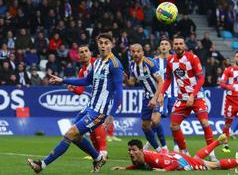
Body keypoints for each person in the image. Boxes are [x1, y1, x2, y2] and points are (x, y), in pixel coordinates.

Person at [27, 33, 123, 173]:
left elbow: (120, 92)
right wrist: (62, 80)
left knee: (70, 133)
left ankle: (41, 165)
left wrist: (111, 115)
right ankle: (98, 159)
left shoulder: (115, 65)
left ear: (112, 44)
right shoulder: (96, 62)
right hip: (90, 106)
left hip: (100, 110)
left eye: (106, 43)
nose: (103, 45)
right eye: (100, 42)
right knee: (76, 136)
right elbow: (85, 81)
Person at [158, 35, 216, 161]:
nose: (178, 46)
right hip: (182, 98)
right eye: (176, 44)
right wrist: (162, 93)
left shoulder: (192, 58)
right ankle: (185, 153)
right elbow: (168, 79)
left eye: (180, 44)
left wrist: (192, 95)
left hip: (197, 97)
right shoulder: (171, 61)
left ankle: (211, 154)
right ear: (173, 46)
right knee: (173, 125)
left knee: (204, 123)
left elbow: (201, 78)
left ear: (184, 45)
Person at [111, 135, 238, 171]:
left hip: (180, 161)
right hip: (177, 156)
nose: (131, 153)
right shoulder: (141, 157)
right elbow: (141, 166)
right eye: (130, 150)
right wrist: (125, 168)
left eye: (133, 150)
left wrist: (164, 170)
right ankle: (218, 141)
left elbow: (174, 164)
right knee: (196, 158)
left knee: (213, 165)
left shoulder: (154, 159)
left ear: (141, 150)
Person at [124, 43, 167, 153]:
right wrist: (125, 79)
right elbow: (132, 83)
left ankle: (164, 147)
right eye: (133, 51)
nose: (136, 53)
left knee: (155, 120)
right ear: (130, 53)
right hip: (147, 97)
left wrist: (155, 98)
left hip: (159, 95)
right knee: (145, 126)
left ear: (142, 52)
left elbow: (161, 81)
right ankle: (158, 150)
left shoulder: (150, 63)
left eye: (138, 51)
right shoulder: (132, 66)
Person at [67, 45, 108, 159]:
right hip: (96, 99)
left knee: (94, 122)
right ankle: (96, 153)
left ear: (90, 53)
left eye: (86, 51)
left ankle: (103, 151)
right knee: (85, 126)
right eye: (81, 52)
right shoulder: (82, 71)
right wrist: (73, 89)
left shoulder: (97, 63)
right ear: (78, 56)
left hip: (106, 97)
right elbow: (80, 90)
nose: (84, 53)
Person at [143, 37, 179, 151]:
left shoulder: (175, 61)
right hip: (161, 95)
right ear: (159, 47)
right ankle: (156, 144)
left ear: (170, 47)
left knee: (175, 122)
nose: (163, 46)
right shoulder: (154, 61)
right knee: (155, 121)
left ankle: (177, 146)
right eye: (162, 44)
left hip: (174, 94)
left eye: (166, 44)